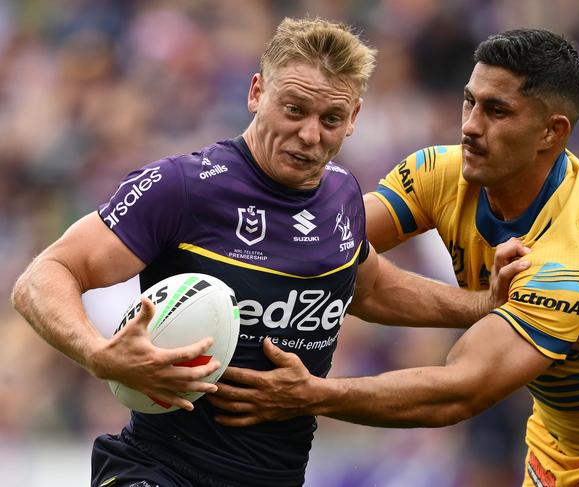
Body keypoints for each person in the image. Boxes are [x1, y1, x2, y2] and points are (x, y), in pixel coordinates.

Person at [11, 17, 524, 487]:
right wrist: (100, 355)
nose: (308, 134)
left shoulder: (344, 195)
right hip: (160, 469)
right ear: (257, 92)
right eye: (294, 109)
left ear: (354, 119)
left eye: (331, 118)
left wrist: (480, 305)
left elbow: (368, 287)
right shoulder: (184, 187)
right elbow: (44, 275)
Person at [207, 28, 579, 486]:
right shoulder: (443, 172)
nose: (471, 126)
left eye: (497, 111)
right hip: (552, 442)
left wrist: (313, 394)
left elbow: (460, 391)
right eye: (470, 102)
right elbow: (324, 245)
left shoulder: (577, 256)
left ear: (552, 132)